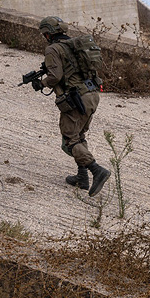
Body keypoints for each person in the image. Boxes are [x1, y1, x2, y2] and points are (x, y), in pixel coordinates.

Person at [37, 16, 111, 197]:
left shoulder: (53, 49)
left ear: (48, 33)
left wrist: (42, 83)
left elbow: (55, 76)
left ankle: (96, 170)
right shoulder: (74, 45)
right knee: (79, 135)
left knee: (70, 140)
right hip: (92, 94)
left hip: (77, 98)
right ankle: (82, 177)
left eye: (45, 33)